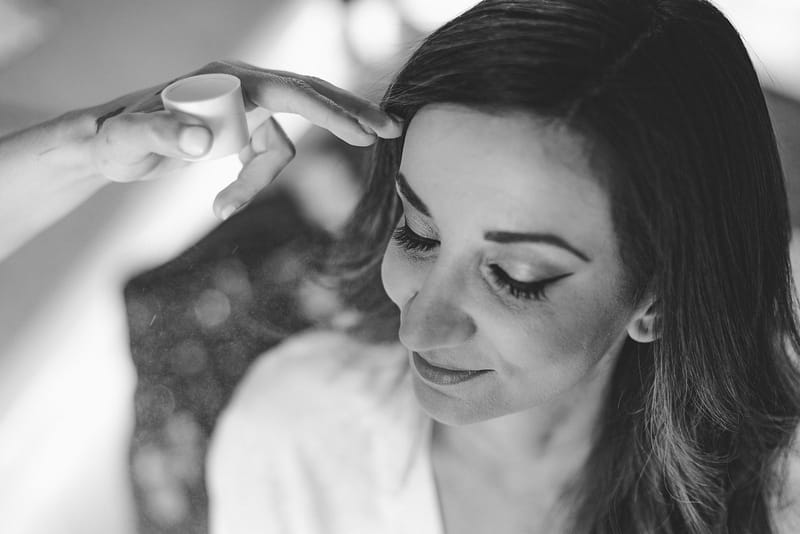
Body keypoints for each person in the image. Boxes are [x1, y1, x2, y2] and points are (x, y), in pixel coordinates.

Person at [2, 1, 800, 533]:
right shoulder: (295, 433)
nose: (418, 324)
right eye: (417, 233)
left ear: (658, 296)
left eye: (515, 275)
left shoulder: (778, 496)